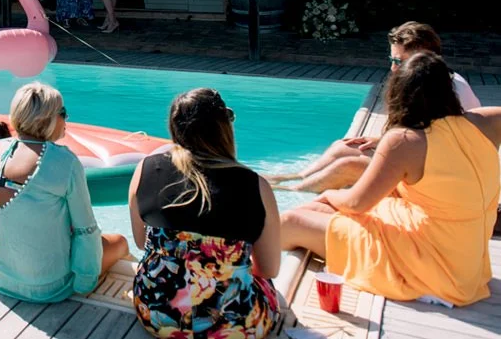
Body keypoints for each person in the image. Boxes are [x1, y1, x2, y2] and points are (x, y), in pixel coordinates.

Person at [281, 52, 501, 306]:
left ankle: (246, 290)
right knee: (317, 208)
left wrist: (330, 194)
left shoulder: (405, 141)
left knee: (290, 220)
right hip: (467, 262)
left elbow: (356, 203)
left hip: (431, 266)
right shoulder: (488, 121)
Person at [128, 89, 281, 338]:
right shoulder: (254, 185)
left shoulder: (145, 169)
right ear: (225, 128)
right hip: (233, 327)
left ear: (174, 128)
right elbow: (268, 269)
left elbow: (139, 241)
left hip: (156, 315)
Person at [270, 21, 482, 192]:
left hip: (436, 175)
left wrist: (388, 149)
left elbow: (443, 146)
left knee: (346, 167)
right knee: (343, 146)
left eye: (399, 61)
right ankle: (295, 177)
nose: (392, 67)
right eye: (392, 59)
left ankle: (292, 192)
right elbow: (422, 134)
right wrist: (380, 141)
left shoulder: (450, 91)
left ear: (423, 58)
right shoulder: (424, 84)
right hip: (419, 158)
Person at [0, 82, 126, 303]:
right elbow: (86, 230)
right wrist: (85, 283)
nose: (66, 119)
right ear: (47, 118)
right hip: (46, 286)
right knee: (120, 242)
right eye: (63, 113)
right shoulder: (63, 161)